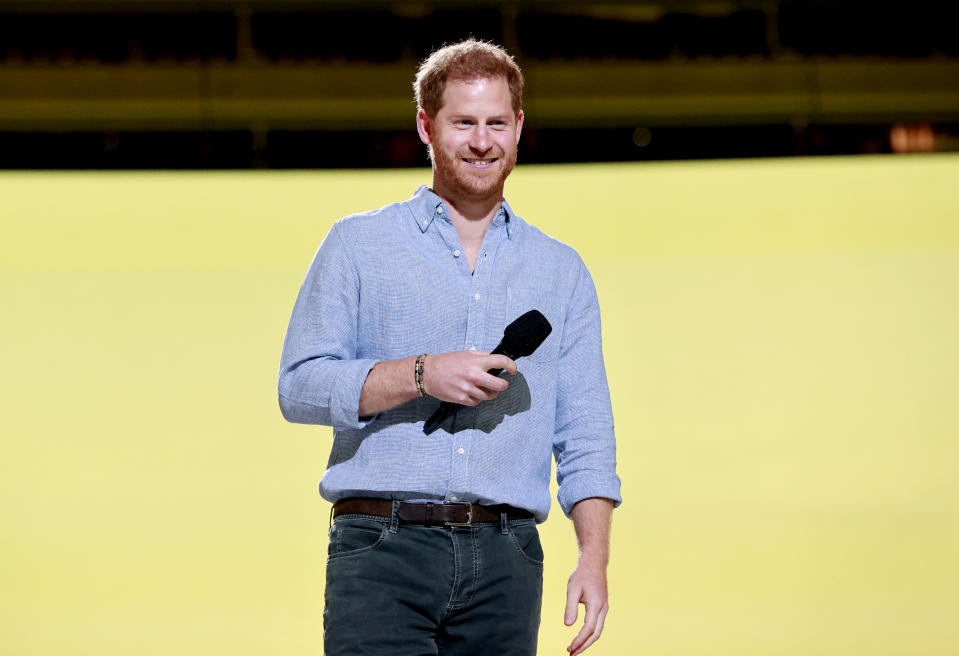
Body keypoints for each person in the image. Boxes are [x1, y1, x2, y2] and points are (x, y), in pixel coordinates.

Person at [278, 39, 621, 656]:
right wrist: (420, 373)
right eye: (464, 122)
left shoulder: (560, 270)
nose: (482, 141)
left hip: (508, 554)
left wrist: (592, 561)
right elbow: (298, 386)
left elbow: (587, 430)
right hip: (382, 545)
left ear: (519, 128)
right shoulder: (359, 245)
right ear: (426, 127)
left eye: (497, 123)